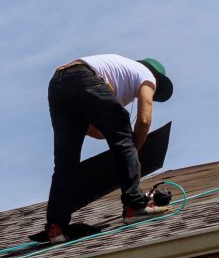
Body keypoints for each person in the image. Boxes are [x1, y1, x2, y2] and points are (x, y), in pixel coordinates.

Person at [45, 54, 174, 243]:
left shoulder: (116, 79)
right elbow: (144, 120)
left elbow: (96, 131)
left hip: (58, 85)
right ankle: (134, 206)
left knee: (66, 164)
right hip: (82, 77)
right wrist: (132, 149)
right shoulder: (147, 75)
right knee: (124, 134)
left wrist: (123, 149)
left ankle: (56, 227)